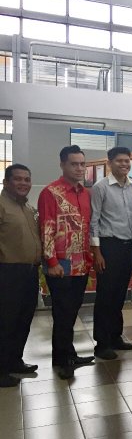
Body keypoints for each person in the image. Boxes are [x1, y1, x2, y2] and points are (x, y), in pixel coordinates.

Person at [38, 146, 95, 379]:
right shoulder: (51, 192)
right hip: (60, 264)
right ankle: (62, 361)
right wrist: (51, 261)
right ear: (62, 164)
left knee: (72, 312)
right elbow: (46, 229)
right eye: (74, 164)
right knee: (62, 313)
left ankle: (68, 353)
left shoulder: (85, 193)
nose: (79, 168)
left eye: (82, 164)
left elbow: (86, 228)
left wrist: (90, 259)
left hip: (81, 263)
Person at [90, 146, 132, 360]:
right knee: (105, 296)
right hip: (108, 246)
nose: (124, 164)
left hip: (128, 247)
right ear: (109, 163)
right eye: (119, 161)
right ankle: (102, 344)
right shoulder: (100, 187)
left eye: (127, 160)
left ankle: (115, 336)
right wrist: (97, 252)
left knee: (120, 294)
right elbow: (94, 220)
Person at [0, 164, 41, 387]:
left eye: (27, 179)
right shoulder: (1, 205)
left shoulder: (28, 208)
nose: (23, 183)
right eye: (18, 179)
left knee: (23, 319)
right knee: (5, 321)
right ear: (6, 182)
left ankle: (14, 361)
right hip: (7, 272)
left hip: (29, 271)